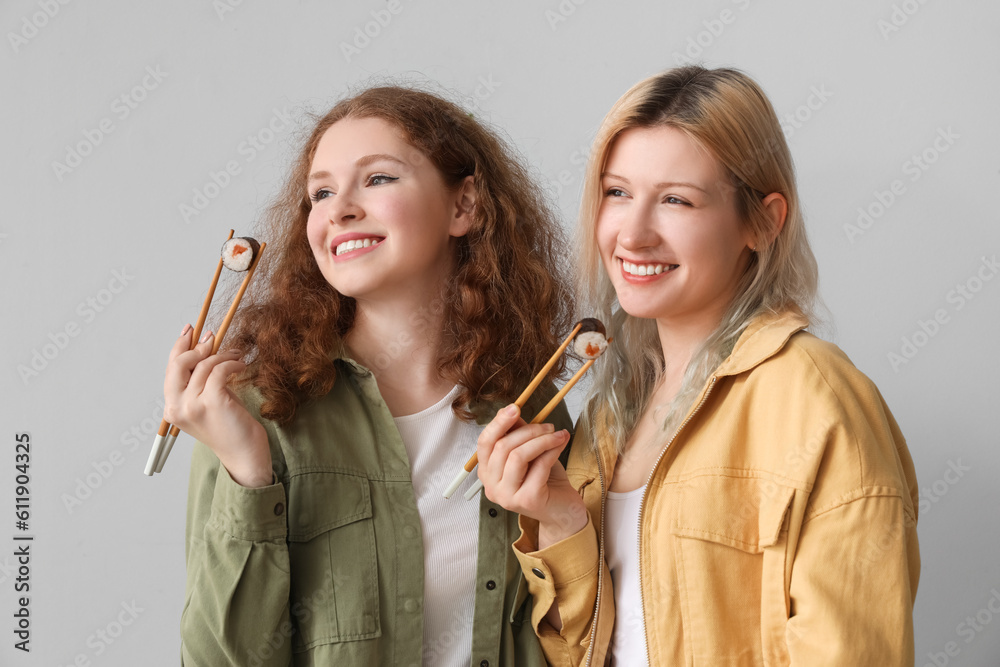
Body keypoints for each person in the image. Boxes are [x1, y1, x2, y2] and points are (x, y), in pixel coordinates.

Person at [475, 66, 920, 666]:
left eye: (676, 200)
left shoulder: (818, 398)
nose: (632, 234)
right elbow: (580, 651)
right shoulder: (609, 414)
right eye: (616, 193)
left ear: (762, 222)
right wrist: (560, 520)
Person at [164, 85, 575, 666]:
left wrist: (562, 522)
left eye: (378, 179)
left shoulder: (531, 404)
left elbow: (576, 638)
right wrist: (249, 476)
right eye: (321, 192)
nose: (338, 209)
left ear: (465, 207)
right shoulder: (254, 412)